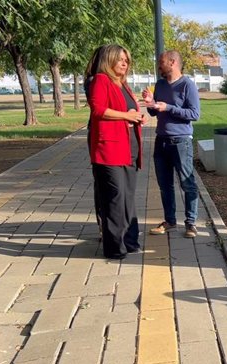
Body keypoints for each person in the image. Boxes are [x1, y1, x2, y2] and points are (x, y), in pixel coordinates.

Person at [88, 44, 148, 259]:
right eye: (121, 59)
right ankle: (114, 247)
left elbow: (129, 112)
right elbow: (98, 110)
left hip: (128, 148)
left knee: (128, 197)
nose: (125, 63)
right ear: (109, 60)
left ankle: (130, 242)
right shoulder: (101, 80)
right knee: (115, 197)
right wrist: (127, 116)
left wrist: (138, 117)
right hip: (109, 150)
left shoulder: (123, 84)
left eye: (127, 60)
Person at [142, 50, 201, 238]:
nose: (159, 65)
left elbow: (194, 114)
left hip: (181, 142)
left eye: (161, 62)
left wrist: (168, 107)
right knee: (165, 185)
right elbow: (155, 113)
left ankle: (191, 223)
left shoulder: (187, 85)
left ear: (173, 62)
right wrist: (150, 103)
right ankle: (170, 221)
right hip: (161, 141)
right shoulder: (159, 84)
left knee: (187, 183)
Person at [84, 45, 108, 239]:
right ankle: (104, 224)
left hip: (106, 134)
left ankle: (108, 223)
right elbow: (100, 109)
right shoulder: (96, 80)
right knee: (101, 180)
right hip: (99, 134)